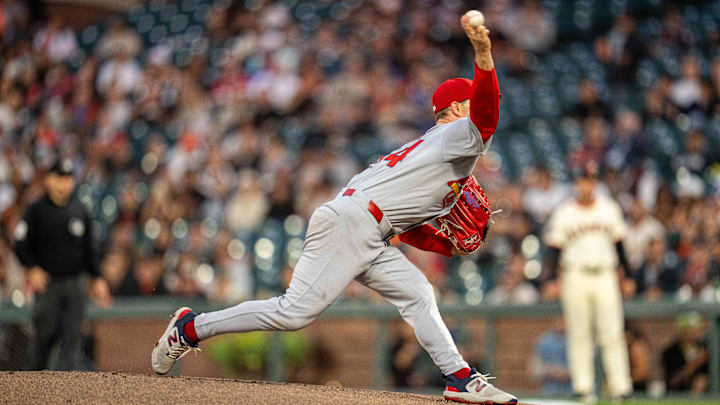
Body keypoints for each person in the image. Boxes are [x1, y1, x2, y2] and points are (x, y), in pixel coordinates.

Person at [152, 15, 518, 405]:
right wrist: (483, 54)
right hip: (354, 222)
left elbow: (405, 228)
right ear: (458, 106)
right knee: (293, 313)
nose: (483, 107)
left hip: (367, 225)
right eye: (473, 102)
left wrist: (447, 247)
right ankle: (190, 328)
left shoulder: (435, 147)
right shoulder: (458, 135)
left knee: (417, 292)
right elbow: (486, 115)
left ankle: (459, 378)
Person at [544, 162, 633, 404]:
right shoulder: (565, 212)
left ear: (595, 183)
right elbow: (554, 250)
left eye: (590, 180)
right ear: (576, 183)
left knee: (612, 332)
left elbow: (620, 245)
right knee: (579, 333)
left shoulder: (609, 209)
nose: (586, 185)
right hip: (575, 275)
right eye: (583, 180)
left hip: (605, 274)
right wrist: (552, 279)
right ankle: (583, 388)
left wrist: (630, 276)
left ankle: (620, 387)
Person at [13, 159, 111, 370]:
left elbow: (89, 249)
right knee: (44, 337)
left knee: (73, 338)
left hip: (75, 283)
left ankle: (67, 395)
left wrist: (97, 277)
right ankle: (35, 387)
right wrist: (31, 267)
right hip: (48, 284)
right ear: (49, 180)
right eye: (60, 177)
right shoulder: (36, 210)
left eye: (68, 178)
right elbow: (20, 244)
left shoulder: (79, 210)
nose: (64, 183)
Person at [662, 312, 709, 395]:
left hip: (704, 397)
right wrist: (695, 364)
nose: (699, 333)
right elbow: (673, 381)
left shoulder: (705, 348)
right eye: (695, 329)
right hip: (678, 396)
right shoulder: (671, 352)